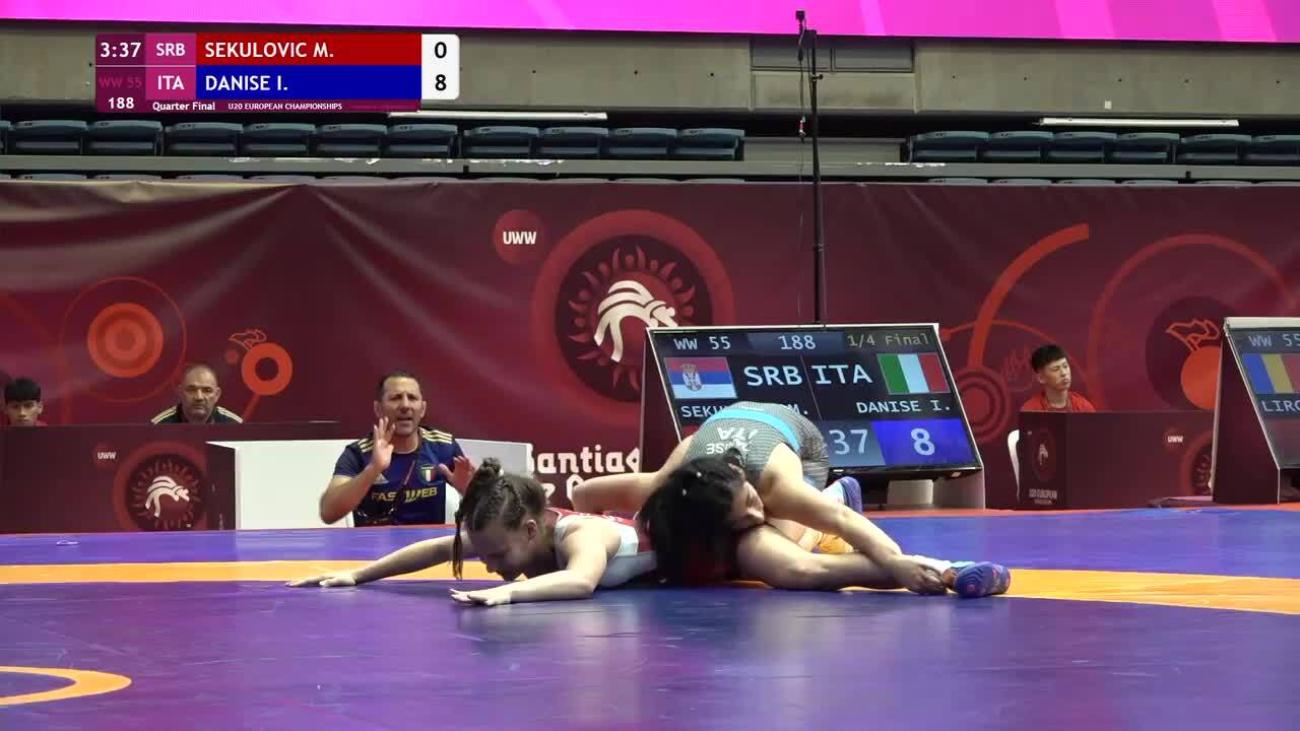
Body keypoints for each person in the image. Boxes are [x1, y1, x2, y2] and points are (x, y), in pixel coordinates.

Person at [574, 401, 1010, 598]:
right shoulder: (664, 485)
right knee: (747, 553)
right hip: (721, 448)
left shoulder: (774, 488)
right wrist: (594, 542)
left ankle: (945, 570)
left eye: (749, 500)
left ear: (743, 480)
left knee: (788, 565)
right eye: (740, 517)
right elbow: (583, 495)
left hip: (800, 444)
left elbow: (846, 523)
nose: (757, 512)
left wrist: (898, 564)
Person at [292, 459, 657, 606]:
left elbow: (580, 581)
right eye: (484, 556)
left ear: (531, 531)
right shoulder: (512, 530)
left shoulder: (581, 534)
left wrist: (506, 592)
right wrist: (359, 575)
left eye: (496, 556)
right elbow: (438, 549)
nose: (490, 566)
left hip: (680, 544)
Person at [320, 370, 474, 526]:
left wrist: (468, 490)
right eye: (395, 398)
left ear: (422, 409)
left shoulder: (443, 446)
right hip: (376, 542)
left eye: (412, 398)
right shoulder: (358, 453)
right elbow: (328, 513)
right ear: (378, 409)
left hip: (430, 541)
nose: (405, 405)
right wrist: (373, 469)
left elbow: (484, 506)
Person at [151, 363, 244, 424]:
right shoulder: (160, 426)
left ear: (217, 395)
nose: (199, 397)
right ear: (180, 393)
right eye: (191, 390)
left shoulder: (234, 425)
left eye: (207, 390)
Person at [1021, 344, 1096, 413]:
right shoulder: (1031, 410)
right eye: (1055, 369)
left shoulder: (1083, 407)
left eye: (1065, 366)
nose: (1064, 373)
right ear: (1041, 378)